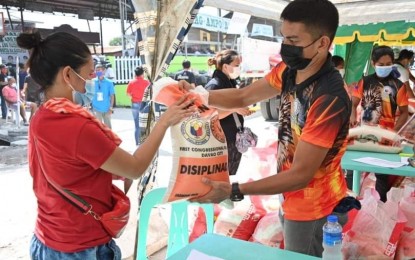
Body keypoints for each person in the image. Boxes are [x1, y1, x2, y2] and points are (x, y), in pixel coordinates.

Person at [188, 0, 351, 257]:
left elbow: (301, 175)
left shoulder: (328, 98)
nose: (286, 47)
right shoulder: (290, 70)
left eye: (294, 41)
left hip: (315, 207)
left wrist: (234, 190)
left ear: (322, 43)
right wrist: (199, 96)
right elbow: (243, 97)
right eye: (284, 38)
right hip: (290, 197)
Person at [16, 31, 195, 260]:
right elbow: (134, 168)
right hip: (81, 247)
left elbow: (70, 168)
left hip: (47, 237)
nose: (92, 79)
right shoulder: (76, 125)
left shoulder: (42, 115)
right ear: (68, 74)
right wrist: (165, 121)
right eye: (88, 74)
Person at [350, 45, 409, 202]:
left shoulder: (398, 85)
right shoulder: (364, 81)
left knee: (382, 174)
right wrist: (351, 117)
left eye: (388, 64)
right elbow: (353, 103)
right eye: (381, 65)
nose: (385, 67)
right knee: (353, 168)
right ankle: (348, 201)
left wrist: (393, 132)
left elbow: (404, 113)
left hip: (385, 138)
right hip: (363, 134)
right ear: (373, 63)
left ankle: (382, 206)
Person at [205, 50, 252, 175]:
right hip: (222, 142)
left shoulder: (229, 83)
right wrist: (234, 109)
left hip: (231, 139)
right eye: (236, 65)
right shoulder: (215, 85)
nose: (239, 68)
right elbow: (209, 114)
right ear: (225, 66)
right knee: (222, 177)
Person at [126, 66, 149, 146]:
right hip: (144, 104)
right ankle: (144, 142)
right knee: (145, 124)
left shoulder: (131, 82)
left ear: (135, 73)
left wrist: (134, 97)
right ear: (143, 73)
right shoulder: (147, 82)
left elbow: (128, 94)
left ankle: (137, 143)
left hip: (135, 104)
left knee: (137, 125)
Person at [92, 63, 115, 129]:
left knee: (108, 128)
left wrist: (111, 107)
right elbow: (89, 94)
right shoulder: (92, 82)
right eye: (96, 70)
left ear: (103, 71)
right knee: (98, 128)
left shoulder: (109, 82)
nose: (98, 72)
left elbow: (112, 95)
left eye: (99, 70)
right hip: (96, 108)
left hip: (107, 108)